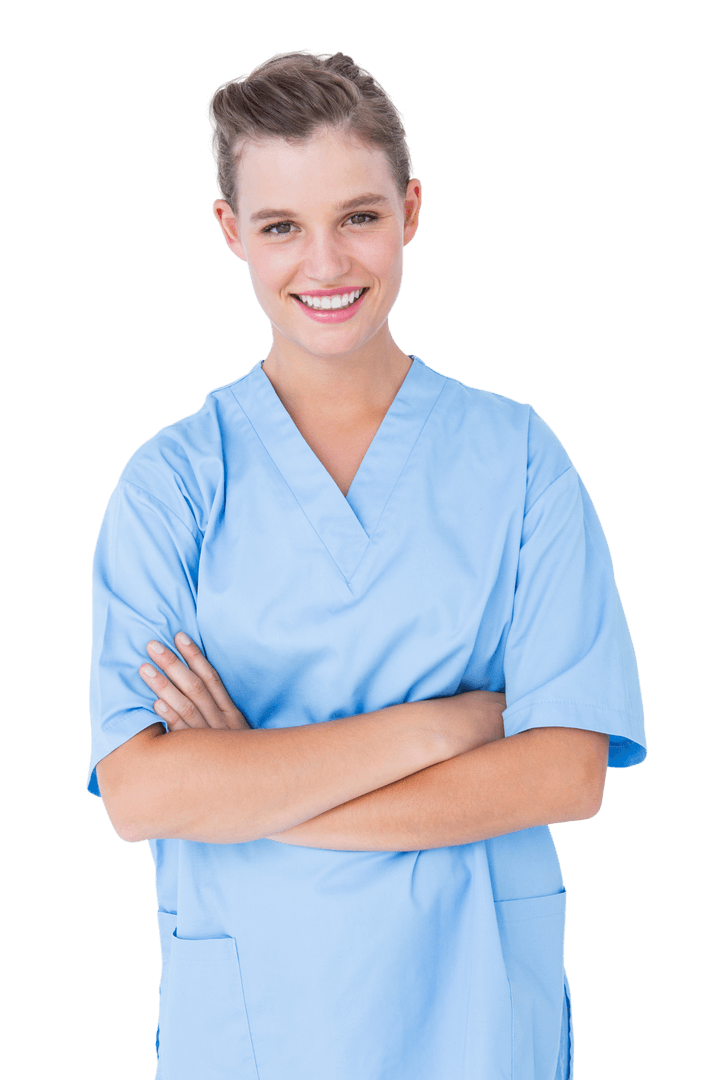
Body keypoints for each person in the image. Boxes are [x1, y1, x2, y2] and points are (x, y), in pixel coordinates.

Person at [88, 49, 647, 1080]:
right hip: (259, 1022)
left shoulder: (519, 460)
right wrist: (452, 725)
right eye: (281, 227)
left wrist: (256, 787)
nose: (327, 264)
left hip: (471, 1013)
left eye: (359, 216)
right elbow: (141, 795)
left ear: (412, 209)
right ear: (230, 235)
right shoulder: (172, 486)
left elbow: (567, 773)